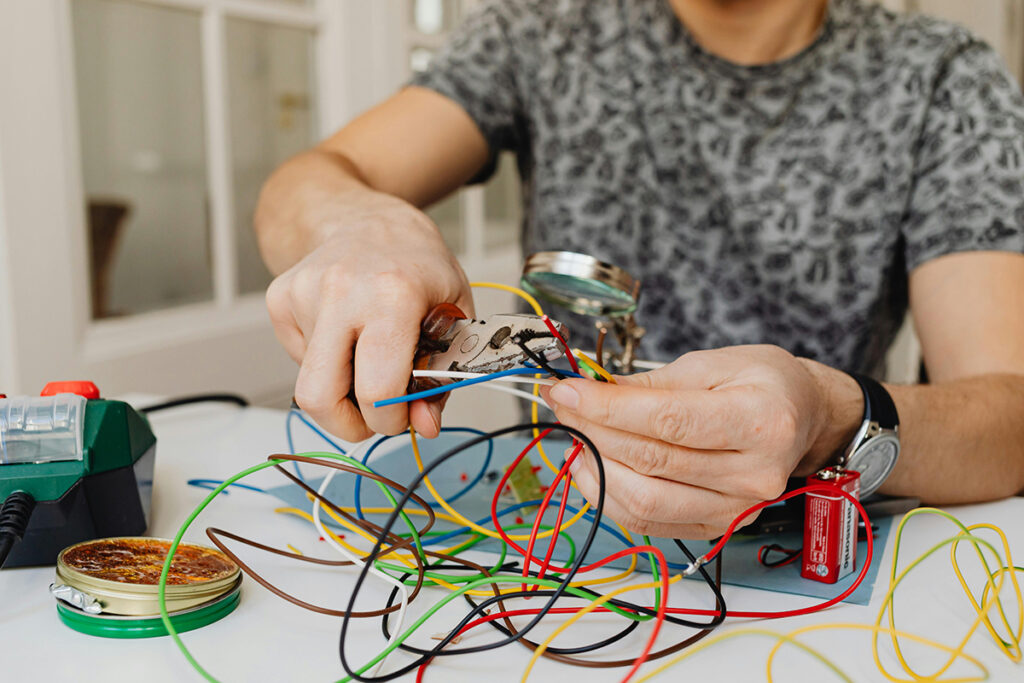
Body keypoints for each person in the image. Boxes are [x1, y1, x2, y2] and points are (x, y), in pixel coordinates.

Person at [255, 0, 1024, 539]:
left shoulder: (942, 79)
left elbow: (1009, 417)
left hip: (803, 553)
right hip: (561, 553)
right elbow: (305, 183)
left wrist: (831, 417)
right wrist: (363, 224)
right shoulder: (543, 30)